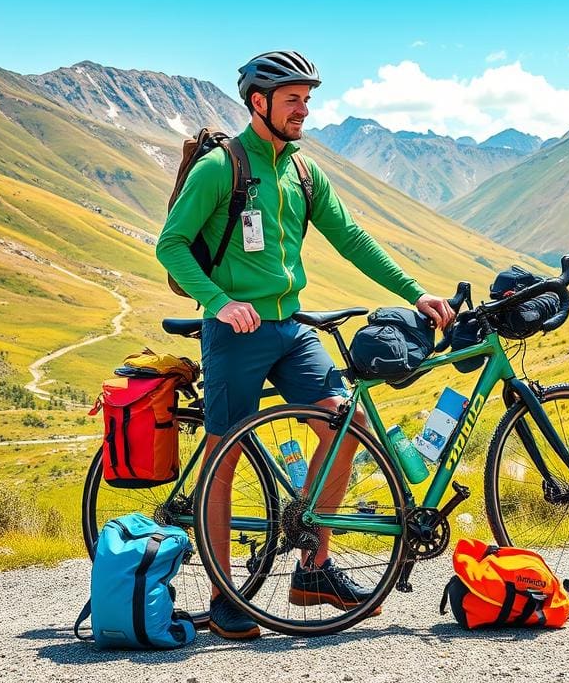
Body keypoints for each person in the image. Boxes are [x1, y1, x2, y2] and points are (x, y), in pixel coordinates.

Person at [156, 50, 455, 639]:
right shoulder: (222, 167)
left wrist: (416, 293)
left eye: (307, 98)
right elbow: (171, 244)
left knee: (346, 426)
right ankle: (225, 595)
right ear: (258, 102)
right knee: (224, 453)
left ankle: (312, 568)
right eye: (293, 99)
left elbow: (351, 238)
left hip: (293, 328)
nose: (304, 109)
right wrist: (219, 302)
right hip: (235, 332)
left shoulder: (300, 171)